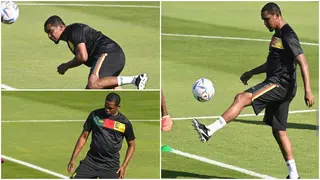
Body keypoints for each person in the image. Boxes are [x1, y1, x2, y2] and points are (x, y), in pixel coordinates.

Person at [192, 2, 314, 179]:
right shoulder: (278, 35)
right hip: (279, 84)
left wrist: (308, 90)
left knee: (241, 98)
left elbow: (303, 62)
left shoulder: (288, 35)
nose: (265, 23)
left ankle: (208, 131)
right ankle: (293, 174)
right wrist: (252, 72)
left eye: (266, 19)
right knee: (278, 131)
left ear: (277, 16)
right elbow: (272, 63)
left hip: (280, 85)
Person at [44, 15, 148, 89]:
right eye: (47, 33)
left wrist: (66, 66)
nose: (49, 35)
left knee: (93, 84)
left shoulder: (73, 31)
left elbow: (83, 56)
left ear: (60, 27)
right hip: (111, 56)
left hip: (109, 53)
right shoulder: (69, 38)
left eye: (51, 31)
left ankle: (135, 79)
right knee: (92, 90)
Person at [67, 92, 135, 178]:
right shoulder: (95, 115)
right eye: (106, 106)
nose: (107, 109)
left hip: (111, 165)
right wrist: (73, 158)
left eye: (110, 108)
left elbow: (131, 145)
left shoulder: (124, 123)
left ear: (118, 107)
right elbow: (83, 137)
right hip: (91, 162)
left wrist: (124, 165)